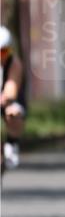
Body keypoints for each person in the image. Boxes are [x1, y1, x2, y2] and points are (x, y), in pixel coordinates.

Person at [1, 26, 26, 169]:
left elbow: (11, 90)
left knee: (13, 113)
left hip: (8, 102)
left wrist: (6, 98)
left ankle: (12, 143)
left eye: (4, 52)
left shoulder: (14, 63)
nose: (1, 56)